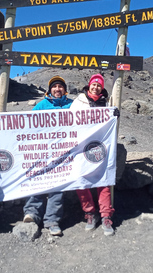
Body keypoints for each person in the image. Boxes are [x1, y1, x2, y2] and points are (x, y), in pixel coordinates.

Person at [23, 75, 73, 236]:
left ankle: (52, 220)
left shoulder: (72, 105)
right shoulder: (41, 105)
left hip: (63, 152)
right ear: (49, 89)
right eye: (54, 86)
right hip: (42, 151)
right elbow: (27, 124)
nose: (57, 89)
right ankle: (32, 213)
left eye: (60, 86)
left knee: (56, 184)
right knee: (37, 179)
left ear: (65, 90)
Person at [70, 73, 116, 236]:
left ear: (102, 87)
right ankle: (89, 212)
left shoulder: (108, 103)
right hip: (81, 147)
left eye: (99, 85)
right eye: (93, 84)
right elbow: (70, 121)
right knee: (80, 179)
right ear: (89, 85)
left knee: (104, 179)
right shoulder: (79, 101)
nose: (96, 87)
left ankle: (106, 215)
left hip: (100, 146)